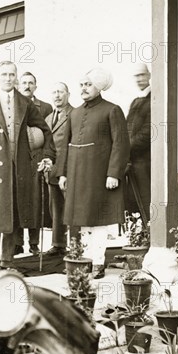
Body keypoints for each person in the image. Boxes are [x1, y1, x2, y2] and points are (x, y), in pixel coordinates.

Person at [0, 61, 55, 276]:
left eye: (11, 74)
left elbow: (45, 130)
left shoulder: (24, 103)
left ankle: (6, 260)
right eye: (4, 74)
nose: (8, 78)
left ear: (16, 77)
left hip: (19, 169)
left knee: (12, 216)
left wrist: (47, 157)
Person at [57, 67, 130, 279]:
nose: (84, 88)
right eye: (81, 85)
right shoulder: (75, 113)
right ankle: (85, 261)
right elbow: (65, 146)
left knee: (98, 220)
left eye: (88, 84)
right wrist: (62, 173)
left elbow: (121, 144)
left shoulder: (112, 110)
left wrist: (113, 173)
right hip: (78, 174)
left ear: (99, 87)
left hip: (100, 175)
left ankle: (98, 262)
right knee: (82, 220)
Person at [15, 71, 54, 255]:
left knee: (35, 201)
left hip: (36, 159)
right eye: (24, 83)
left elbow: (48, 135)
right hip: (17, 160)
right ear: (18, 85)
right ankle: (16, 243)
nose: (27, 86)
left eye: (31, 83)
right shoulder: (11, 106)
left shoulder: (45, 108)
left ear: (35, 86)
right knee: (16, 199)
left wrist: (46, 156)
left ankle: (34, 244)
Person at [42, 82, 76, 256]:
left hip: (68, 169)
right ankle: (58, 244)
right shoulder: (48, 118)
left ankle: (76, 246)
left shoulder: (75, 114)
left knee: (71, 208)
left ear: (68, 94)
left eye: (61, 92)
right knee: (56, 208)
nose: (57, 95)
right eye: (54, 92)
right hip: (52, 170)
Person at [125, 62, 152, 221]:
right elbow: (127, 129)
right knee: (133, 205)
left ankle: (150, 238)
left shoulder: (154, 99)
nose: (139, 79)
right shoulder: (136, 101)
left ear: (149, 75)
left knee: (146, 203)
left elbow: (148, 133)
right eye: (136, 76)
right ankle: (139, 239)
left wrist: (126, 148)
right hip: (132, 162)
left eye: (142, 75)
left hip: (146, 162)